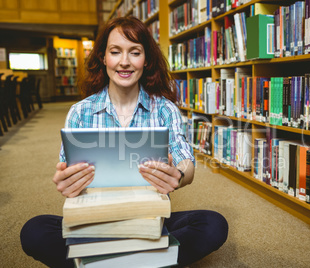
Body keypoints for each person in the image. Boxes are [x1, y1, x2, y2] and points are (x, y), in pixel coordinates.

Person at [20, 16, 228, 268]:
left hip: (148, 218)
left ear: (146, 59)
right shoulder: (80, 112)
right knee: (34, 231)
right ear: (103, 58)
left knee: (213, 225)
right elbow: (66, 169)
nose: (125, 62)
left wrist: (178, 175)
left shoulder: (165, 109)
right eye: (115, 52)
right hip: (94, 222)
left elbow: (187, 163)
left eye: (135, 52)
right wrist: (67, 181)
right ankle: (146, 260)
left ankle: (101, 262)